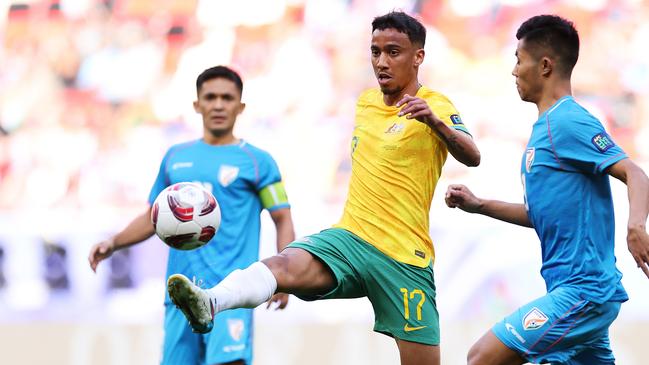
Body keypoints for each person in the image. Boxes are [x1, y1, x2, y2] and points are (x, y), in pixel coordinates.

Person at [166, 11, 480, 365]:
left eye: (394, 52)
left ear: (418, 57)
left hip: (403, 257)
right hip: (350, 239)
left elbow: (472, 156)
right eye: (375, 52)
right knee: (283, 265)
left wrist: (436, 123)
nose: (382, 62)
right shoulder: (365, 104)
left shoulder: (435, 104)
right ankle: (211, 302)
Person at [445, 15, 649, 365]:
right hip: (575, 292)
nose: (513, 71)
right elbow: (539, 215)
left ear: (544, 66)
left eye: (518, 59)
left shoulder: (569, 121)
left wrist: (636, 226)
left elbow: (634, 172)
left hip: (584, 292)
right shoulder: (543, 131)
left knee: (481, 357)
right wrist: (479, 205)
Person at [88, 65, 295, 365]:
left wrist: (283, 278)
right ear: (197, 105)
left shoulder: (258, 162)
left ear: (241, 105)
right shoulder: (175, 157)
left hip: (231, 293)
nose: (219, 105)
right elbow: (153, 217)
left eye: (227, 97)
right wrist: (114, 243)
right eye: (210, 97)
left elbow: (283, 218)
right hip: (180, 295)